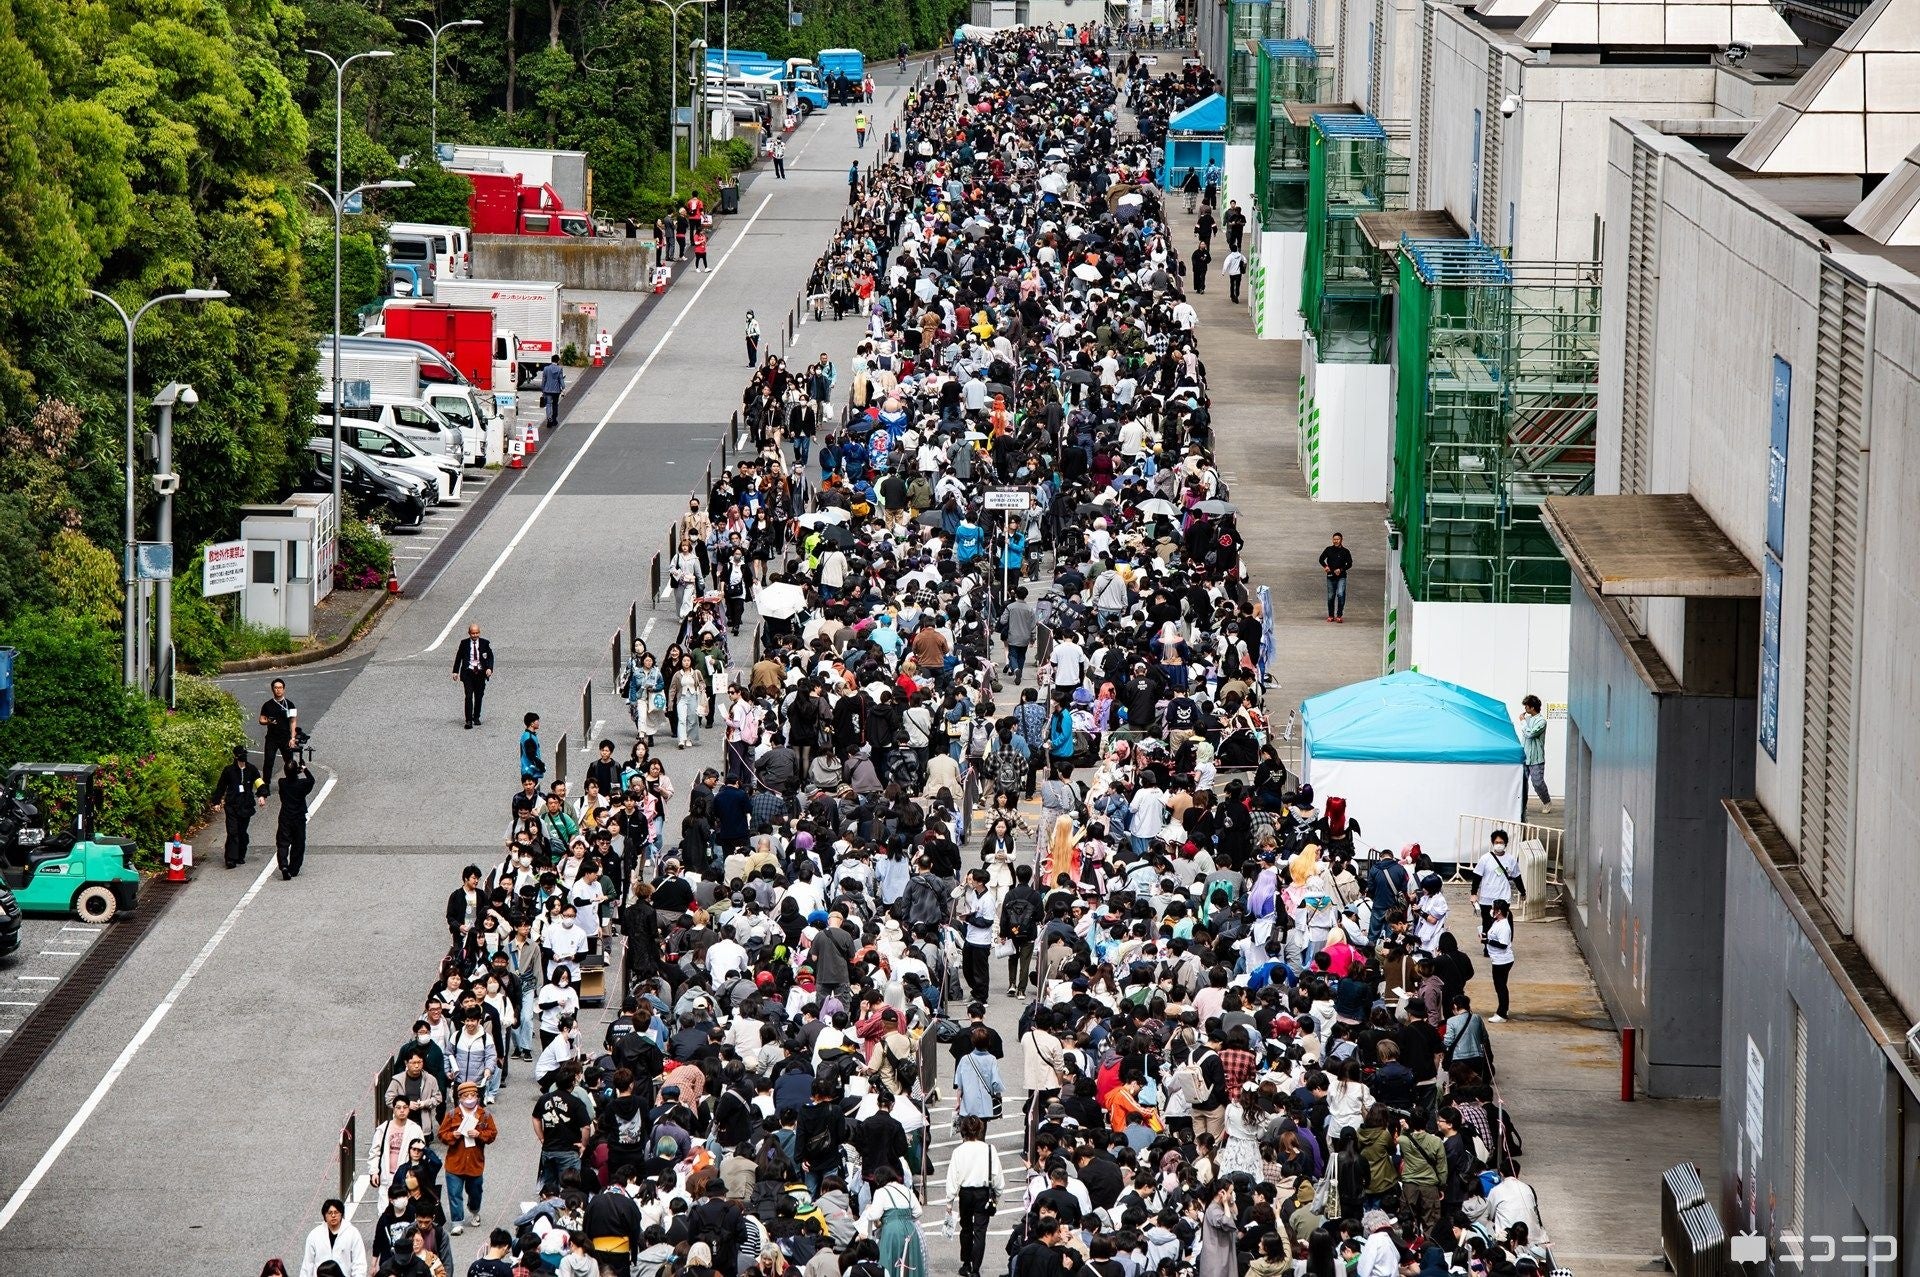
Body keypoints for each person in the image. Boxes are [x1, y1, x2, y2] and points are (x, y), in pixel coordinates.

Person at [946, 1115, 1003, 1277]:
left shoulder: (958, 1151)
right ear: (980, 1129)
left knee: (966, 1228)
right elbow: (997, 1177)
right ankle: (976, 1268)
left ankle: (965, 1263)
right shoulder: (989, 1149)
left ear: (963, 1131)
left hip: (965, 1193)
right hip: (983, 1193)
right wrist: (996, 1197)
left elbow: (952, 1177)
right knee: (980, 1231)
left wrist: (949, 1200)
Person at [438, 1081, 498, 1234]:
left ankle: (474, 1209)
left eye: (472, 1095)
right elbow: (441, 1134)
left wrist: (480, 1134)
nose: (469, 1098)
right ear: (460, 1098)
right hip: (454, 1163)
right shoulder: (452, 1115)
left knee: (475, 1191)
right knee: (454, 1193)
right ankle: (457, 1222)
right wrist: (453, 1135)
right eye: (466, 1095)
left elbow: (492, 1134)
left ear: (477, 1096)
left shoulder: (484, 1115)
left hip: (475, 1163)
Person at [212, 744, 265, 869]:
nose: (243, 757)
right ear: (235, 756)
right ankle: (230, 858)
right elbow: (221, 786)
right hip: (232, 805)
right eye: (241, 755)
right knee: (232, 832)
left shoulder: (251, 769)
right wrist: (216, 801)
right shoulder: (229, 770)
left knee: (242, 832)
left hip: (246, 805)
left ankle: (240, 854)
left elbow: (259, 782)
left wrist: (262, 795)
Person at [298, 1199, 368, 1277]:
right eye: (330, 1213)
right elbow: (308, 1264)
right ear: (324, 1215)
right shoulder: (314, 1235)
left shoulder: (352, 1233)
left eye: (336, 1212)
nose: (333, 1215)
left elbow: (359, 1263)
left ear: (341, 1214)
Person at [1473, 829, 1522, 938]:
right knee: (1487, 922)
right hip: (1487, 897)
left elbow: (1517, 876)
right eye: (1496, 842)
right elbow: (1477, 877)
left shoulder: (1511, 859)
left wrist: (1523, 892)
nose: (1499, 845)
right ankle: (1487, 946)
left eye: (1501, 842)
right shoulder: (1485, 859)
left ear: (1505, 844)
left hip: (1503, 897)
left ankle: (1501, 943)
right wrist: (1473, 893)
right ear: (1492, 843)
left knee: (1501, 922)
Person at [276, 751, 315, 880]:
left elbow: (289, 777)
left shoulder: (282, 783)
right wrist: (304, 769)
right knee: (298, 843)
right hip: (298, 818)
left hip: (285, 817)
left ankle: (284, 866)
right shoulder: (301, 785)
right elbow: (311, 780)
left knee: (283, 842)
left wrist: (294, 771)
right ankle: (294, 868)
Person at [452, 623, 495, 729]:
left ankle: (476, 716)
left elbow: (490, 657)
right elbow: (459, 657)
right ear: (469, 633)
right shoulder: (464, 643)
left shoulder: (485, 643)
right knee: (469, 696)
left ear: (479, 633)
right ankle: (468, 720)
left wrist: (489, 668)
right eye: (473, 633)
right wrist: (455, 671)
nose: (475, 635)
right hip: (468, 673)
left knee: (479, 696)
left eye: (477, 633)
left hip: (480, 673)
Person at [258, 677, 297, 792]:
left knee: (289, 761)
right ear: (272, 689)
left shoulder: (289, 704)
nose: (278, 690)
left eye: (280, 688)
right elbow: (261, 720)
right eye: (276, 688)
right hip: (271, 738)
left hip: (285, 737)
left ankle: (292, 782)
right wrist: (268, 722)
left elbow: (293, 721)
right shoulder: (267, 705)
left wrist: (293, 738)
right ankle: (266, 786)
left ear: (284, 689)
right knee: (268, 761)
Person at [1519, 695, 1550, 814]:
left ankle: (1546, 801)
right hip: (1525, 756)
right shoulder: (1527, 720)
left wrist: (1522, 722)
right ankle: (1522, 806)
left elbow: (1530, 734)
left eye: (1526, 706)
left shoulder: (1542, 721)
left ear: (1532, 707)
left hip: (1537, 758)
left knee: (1537, 783)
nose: (1525, 708)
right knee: (1522, 783)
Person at [1485, 899, 1515, 1021]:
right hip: (1498, 959)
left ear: (1499, 911)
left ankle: (1502, 1013)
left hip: (1502, 961)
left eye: (1494, 909)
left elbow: (1503, 944)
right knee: (1501, 986)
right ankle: (1504, 1008)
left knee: (1500, 986)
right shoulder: (1497, 921)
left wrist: (1487, 941)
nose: (1491, 911)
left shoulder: (1504, 926)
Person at [1318, 532, 1352, 622]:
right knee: (1330, 596)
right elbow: (1321, 559)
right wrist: (1326, 567)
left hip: (1341, 577)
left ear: (1341, 540)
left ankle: (1339, 615)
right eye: (1334, 539)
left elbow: (1349, 564)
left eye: (1338, 539)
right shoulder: (1328, 549)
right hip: (1330, 576)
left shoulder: (1345, 551)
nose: (1336, 541)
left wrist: (1340, 570)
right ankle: (1331, 615)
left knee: (1340, 594)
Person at [540, 355, 566, 430]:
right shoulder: (559, 369)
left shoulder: (546, 369)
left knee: (548, 404)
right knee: (555, 404)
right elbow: (561, 379)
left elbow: (544, 380)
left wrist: (542, 389)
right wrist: (563, 388)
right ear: (557, 361)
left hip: (547, 390)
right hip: (556, 390)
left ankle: (549, 418)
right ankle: (554, 419)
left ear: (551, 360)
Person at [519, 713, 545, 782]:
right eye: (537, 721)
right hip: (530, 772)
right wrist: (541, 765)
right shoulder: (529, 738)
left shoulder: (527, 735)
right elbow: (531, 755)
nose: (539, 723)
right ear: (532, 723)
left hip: (530, 770)